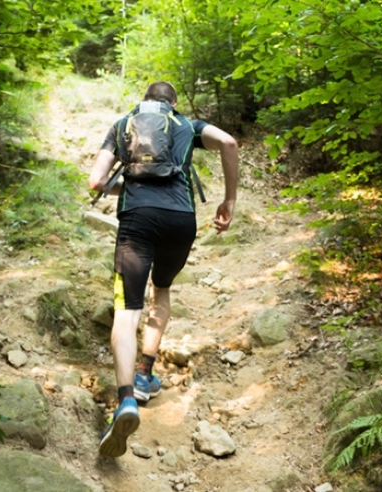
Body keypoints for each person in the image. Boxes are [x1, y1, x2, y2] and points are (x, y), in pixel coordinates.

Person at [88, 81, 239, 458]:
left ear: (143, 102)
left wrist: (132, 189)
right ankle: (145, 373)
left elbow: (96, 180)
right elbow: (231, 143)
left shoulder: (123, 124)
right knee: (163, 288)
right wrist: (229, 200)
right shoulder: (188, 124)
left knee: (127, 311)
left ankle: (126, 400)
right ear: (172, 104)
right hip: (181, 219)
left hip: (138, 220)